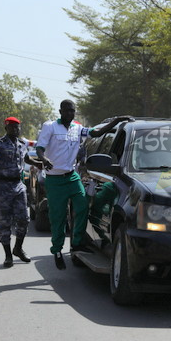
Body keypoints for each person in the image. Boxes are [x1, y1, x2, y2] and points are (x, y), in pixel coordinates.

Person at [35, 100, 129, 270]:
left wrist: (117, 121)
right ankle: (57, 250)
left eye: (73, 111)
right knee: (58, 217)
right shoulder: (50, 127)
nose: (71, 114)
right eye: (68, 111)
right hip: (54, 179)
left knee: (83, 206)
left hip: (71, 177)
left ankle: (77, 243)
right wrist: (44, 159)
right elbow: (40, 148)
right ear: (61, 111)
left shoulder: (77, 128)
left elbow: (97, 132)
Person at [0, 117, 32, 268]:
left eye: (17, 127)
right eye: (12, 127)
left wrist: (41, 163)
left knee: (24, 219)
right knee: (5, 223)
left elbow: (27, 158)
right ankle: (8, 255)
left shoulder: (22, 144)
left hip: (18, 185)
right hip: (2, 187)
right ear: (6, 128)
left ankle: (18, 248)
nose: (16, 130)